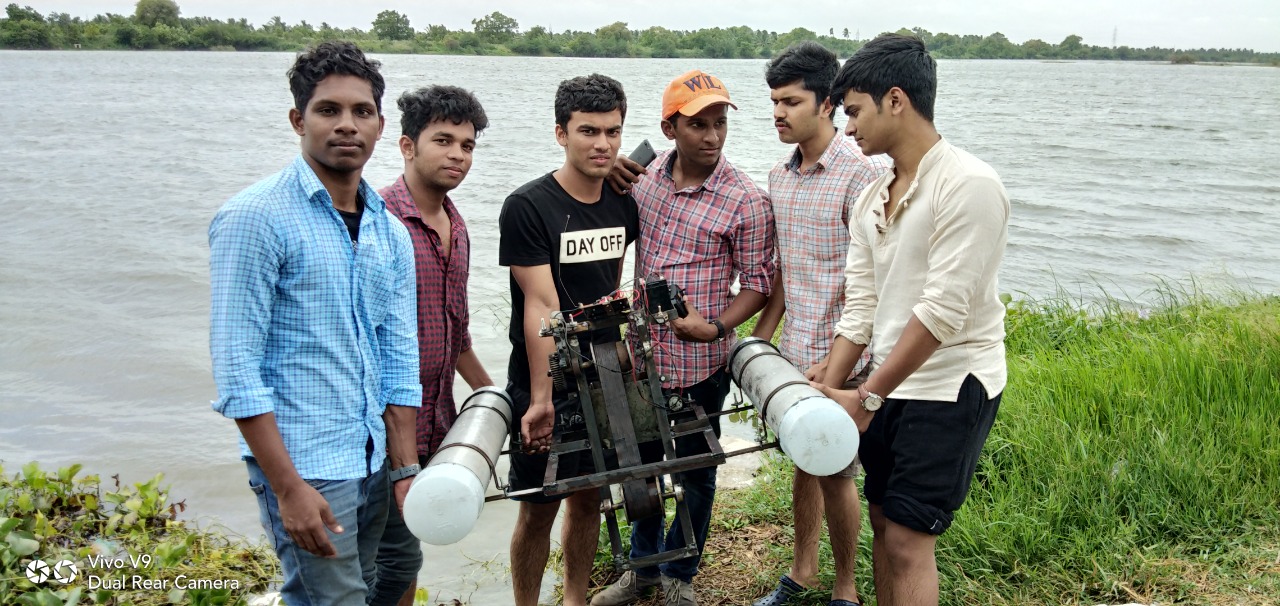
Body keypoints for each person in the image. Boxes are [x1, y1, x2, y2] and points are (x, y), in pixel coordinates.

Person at [208, 41, 420, 606]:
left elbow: (399, 358)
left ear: (380, 126)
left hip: (373, 458)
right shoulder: (255, 218)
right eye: (329, 110)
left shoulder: (389, 232)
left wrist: (404, 468)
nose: (347, 124)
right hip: (308, 465)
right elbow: (236, 367)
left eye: (362, 111)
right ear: (298, 120)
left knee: (381, 580)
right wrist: (288, 488)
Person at [814, 34, 1010, 606]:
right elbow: (862, 305)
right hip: (888, 383)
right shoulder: (872, 197)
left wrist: (865, 396)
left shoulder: (968, 184)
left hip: (949, 384)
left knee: (906, 539)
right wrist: (828, 386)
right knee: (881, 520)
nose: (848, 128)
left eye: (855, 111)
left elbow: (942, 311)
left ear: (895, 100)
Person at [591, 70, 775, 606]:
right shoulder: (643, 174)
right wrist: (609, 169)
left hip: (700, 363)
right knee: (641, 468)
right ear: (670, 128)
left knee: (697, 471)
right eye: (698, 125)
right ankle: (643, 569)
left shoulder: (746, 199)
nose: (712, 136)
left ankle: (679, 572)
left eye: (720, 123)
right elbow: (596, 207)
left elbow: (759, 284)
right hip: (640, 356)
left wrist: (714, 327)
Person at [749, 41, 891, 606]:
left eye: (790, 101)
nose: (778, 113)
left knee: (835, 471)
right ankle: (802, 571)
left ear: (827, 103)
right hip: (796, 352)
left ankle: (846, 590)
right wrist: (760, 341)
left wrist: (838, 362)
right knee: (803, 461)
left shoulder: (865, 173)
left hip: (848, 355)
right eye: (773, 102)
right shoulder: (779, 177)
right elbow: (786, 269)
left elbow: (877, 281)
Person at [500, 73, 639, 606]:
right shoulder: (527, 206)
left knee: (588, 499)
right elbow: (541, 305)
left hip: (605, 373)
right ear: (561, 133)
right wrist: (540, 398)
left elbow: (614, 280)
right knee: (538, 507)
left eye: (613, 132)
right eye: (588, 131)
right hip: (545, 376)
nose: (602, 144)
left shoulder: (624, 203)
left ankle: (575, 599)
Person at [370, 85, 495, 606]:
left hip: (432, 422)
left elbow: (456, 333)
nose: (457, 155)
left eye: (467, 145)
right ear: (407, 146)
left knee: (405, 556)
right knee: (371, 563)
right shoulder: (377, 220)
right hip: (376, 429)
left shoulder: (456, 224)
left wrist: (493, 398)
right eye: (443, 141)